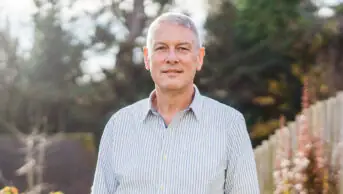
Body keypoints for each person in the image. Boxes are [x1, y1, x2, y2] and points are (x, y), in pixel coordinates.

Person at [91, 12, 260, 194]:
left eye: (182, 48)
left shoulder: (229, 124)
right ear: (147, 58)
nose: (172, 58)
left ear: (199, 57)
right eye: (162, 48)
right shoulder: (119, 127)